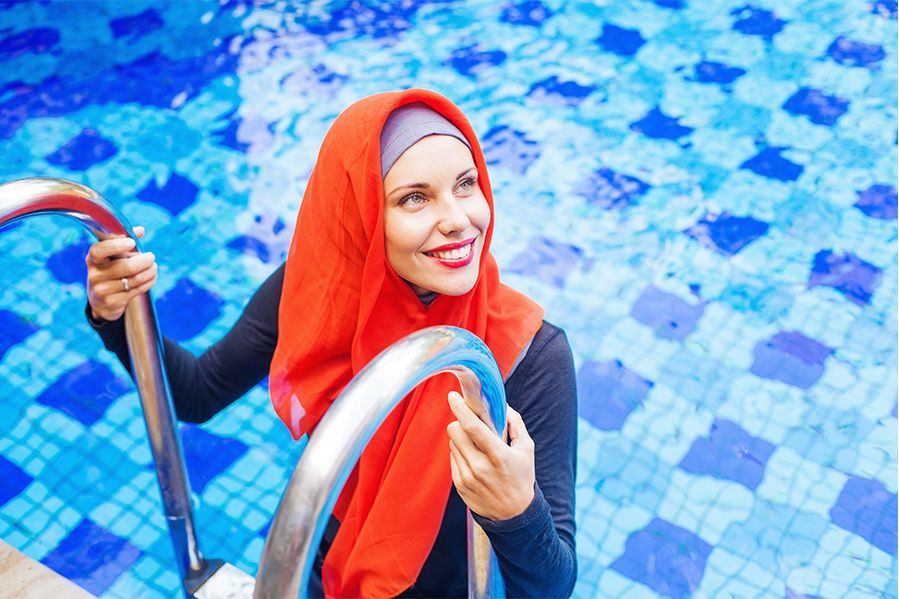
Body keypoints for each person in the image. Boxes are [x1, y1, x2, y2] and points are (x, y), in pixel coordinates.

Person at [86, 89, 577, 598]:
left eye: (466, 184)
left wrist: (518, 513)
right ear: (362, 212)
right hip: (329, 566)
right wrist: (118, 317)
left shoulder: (530, 355)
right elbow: (199, 393)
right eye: (415, 197)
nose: (458, 219)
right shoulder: (321, 290)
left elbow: (553, 584)